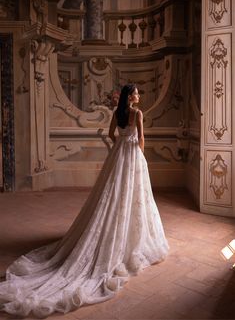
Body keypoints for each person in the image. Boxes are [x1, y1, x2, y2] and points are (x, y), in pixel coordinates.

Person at [0, 84, 169, 318]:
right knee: (132, 195)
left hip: (118, 154)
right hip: (132, 156)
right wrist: (140, 158)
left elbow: (112, 135)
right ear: (130, 96)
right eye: (136, 93)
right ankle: (127, 236)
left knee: (112, 196)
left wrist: (119, 145)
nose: (139, 96)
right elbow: (141, 139)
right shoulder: (137, 114)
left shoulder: (117, 114)